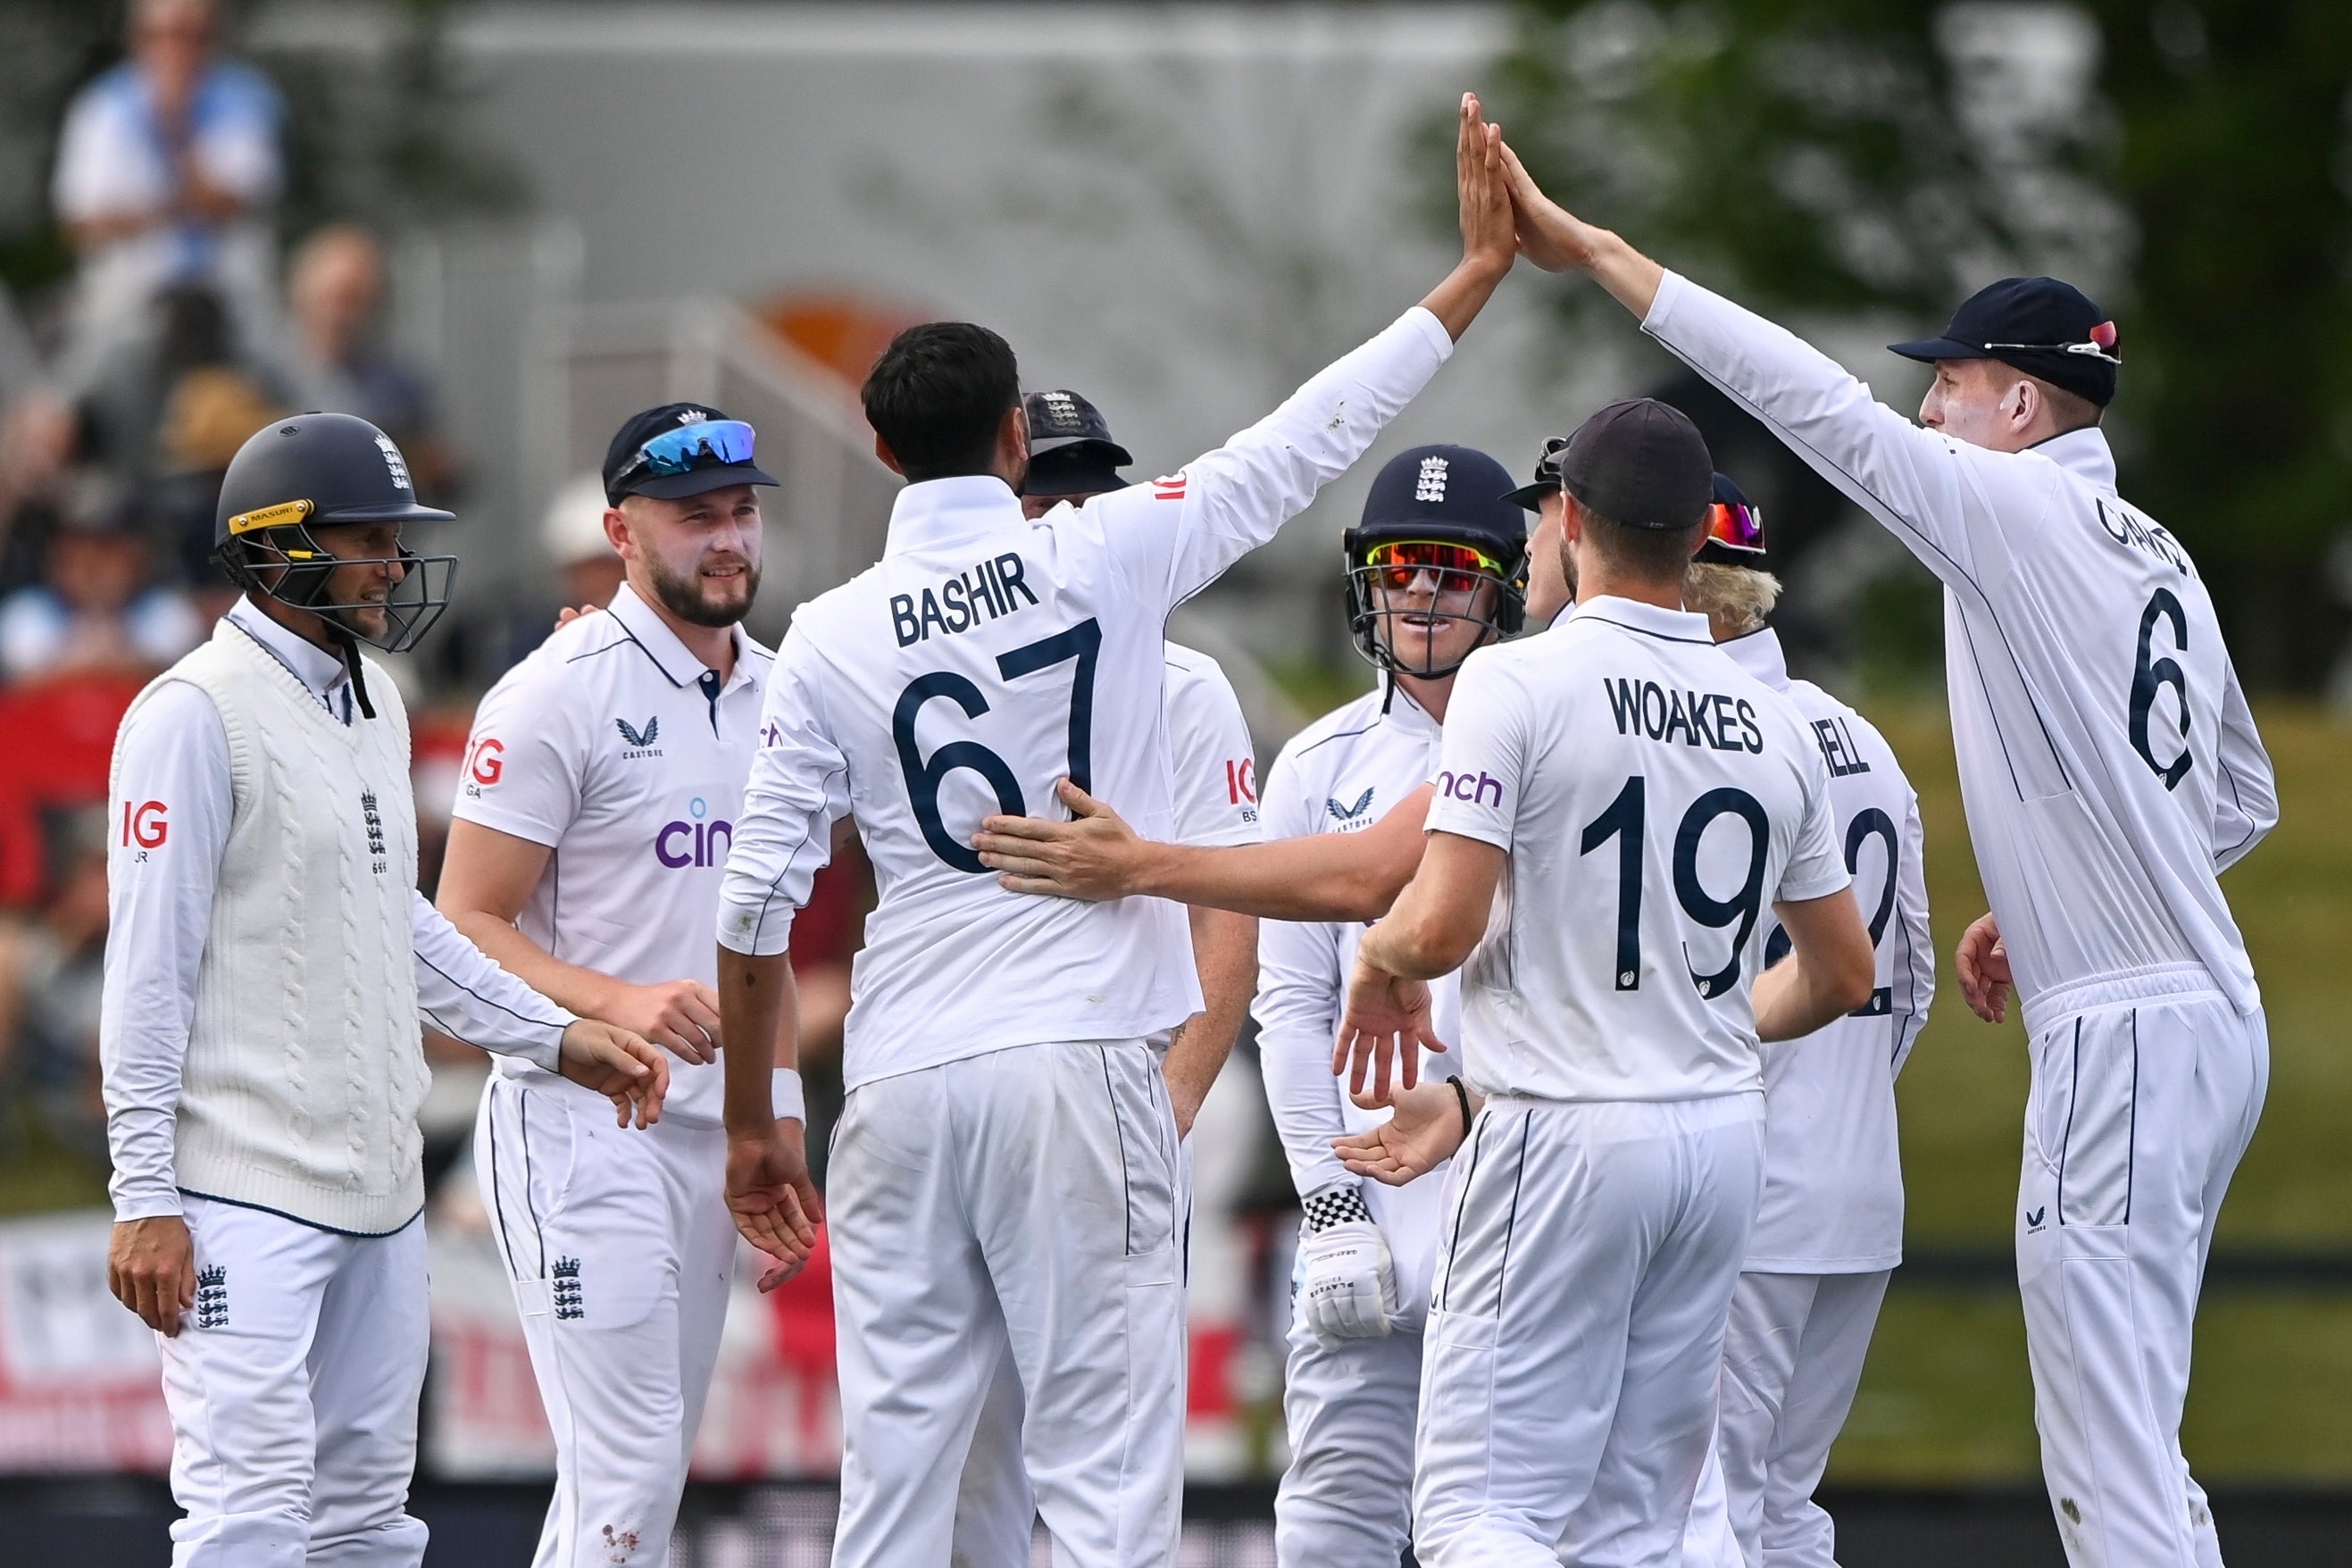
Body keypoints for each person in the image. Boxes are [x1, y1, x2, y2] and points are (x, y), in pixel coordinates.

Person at [712, 96, 1517, 1568]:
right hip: (1078, 1058)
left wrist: (758, 1119)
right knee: (1101, 1489)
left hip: (897, 1077)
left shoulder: (818, 637)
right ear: (1015, 438)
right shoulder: (1102, 551)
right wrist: (1462, 284)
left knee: (893, 1497)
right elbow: (1303, 437)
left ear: (879, 447)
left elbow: (754, 910)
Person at [1488, 98, 2278, 1567]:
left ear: (2021, 409)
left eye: (1952, 388)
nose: (1927, 415)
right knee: (2141, 1435)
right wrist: (2059, 891)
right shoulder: (2155, 550)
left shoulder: (2010, 513)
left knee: (2104, 1462)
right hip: (2202, 1010)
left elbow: (1815, 412)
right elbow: (2232, 796)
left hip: (2119, 1031)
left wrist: (1603, 256)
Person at [99, 411, 669, 1567]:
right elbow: (144, 969)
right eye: (367, 537)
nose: (395, 565)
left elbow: (395, 922)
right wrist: (142, 1194)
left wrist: (555, 1035)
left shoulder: (374, 698)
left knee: (367, 1521)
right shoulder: (192, 713)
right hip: (238, 1193)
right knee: (248, 1518)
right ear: (276, 546)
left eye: (396, 539)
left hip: (377, 1189)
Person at [1325, 396, 1876, 1567]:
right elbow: (1840, 973)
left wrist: (1378, 960)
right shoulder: (1771, 720)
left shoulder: (1515, 685)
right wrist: (1707, 1030)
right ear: (1692, 536)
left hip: (1563, 1134)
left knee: (1479, 1516)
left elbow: (1439, 923)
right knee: (1642, 1525)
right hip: (1720, 1141)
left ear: (1568, 517)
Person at [432, 403, 808, 1567]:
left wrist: (777, 1118)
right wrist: (610, 998)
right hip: (581, 1126)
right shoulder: (555, 692)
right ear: (620, 531)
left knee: (638, 1479)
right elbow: (457, 927)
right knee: (630, 1465)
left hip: (714, 1133)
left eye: (741, 511)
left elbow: (769, 938)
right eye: (695, 516)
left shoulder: (789, 694)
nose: (727, 539)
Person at [948, 389, 1268, 1564]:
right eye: (1048, 495)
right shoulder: (928, 669)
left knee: (1115, 1460)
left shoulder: (1184, 685)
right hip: (974, 1094)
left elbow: (1226, 909)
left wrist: (1170, 1099)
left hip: (1127, 1078)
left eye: (1093, 493)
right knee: (968, 1459)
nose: (1073, 516)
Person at [1255, 442, 1526, 1567]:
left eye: (1453, 569)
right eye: (1405, 565)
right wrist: (1327, 1206)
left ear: (1501, 585)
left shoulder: (1554, 737)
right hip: (1366, 1199)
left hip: (1516, 1194)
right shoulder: (1318, 764)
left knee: (1501, 1522)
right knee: (1330, 1526)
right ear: (1368, 578)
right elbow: (1290, 1005)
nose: (1422, 591)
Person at [1664, 474, 1934, 1568]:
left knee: (1709, 1507)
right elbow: (1903, 971)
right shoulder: (1861, 736)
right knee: (1785, 1504)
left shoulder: (1709, 735)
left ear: (1689, 594)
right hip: (1859, 1183)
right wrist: (1849, 1093)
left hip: (1748, 1185)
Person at [51, 0, 283, 382]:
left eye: (196, 37)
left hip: (232, 300)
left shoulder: (245, 99)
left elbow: (230, 203)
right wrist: (175, 208)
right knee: (73, 385)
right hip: (125, 301)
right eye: (168, 35)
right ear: (138, 40)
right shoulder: (103, 107)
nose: (180, 50)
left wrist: (176, 126)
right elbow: (81, 225)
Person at [287, 225, 453, 496]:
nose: (341, 315)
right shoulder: (261, 375)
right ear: (302, 296)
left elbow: (441, 470)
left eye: (355, 301)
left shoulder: (399, 385)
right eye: (333, 298)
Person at [0, 478, 201, 682]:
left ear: (136, 556)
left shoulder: (167, 612)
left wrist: (116, 655)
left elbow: (180, 682)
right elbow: (19, 690)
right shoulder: (27, 613)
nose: (92, 570)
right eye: (77, 555)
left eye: (106, 552)